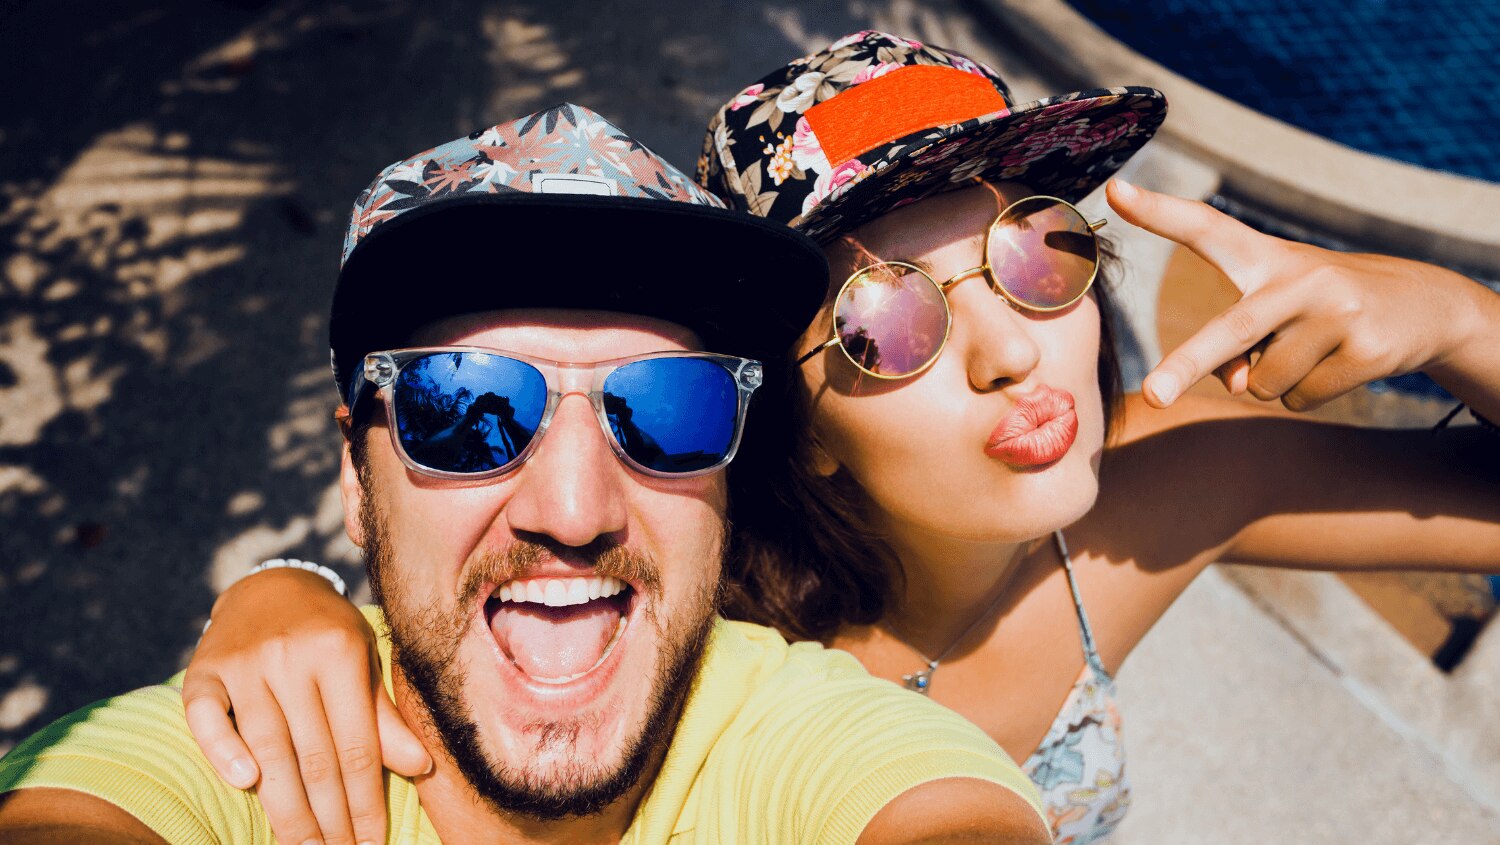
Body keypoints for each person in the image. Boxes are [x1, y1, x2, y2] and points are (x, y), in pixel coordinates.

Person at [169, 32, 1498, 845]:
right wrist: (293, 601)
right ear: (796, 431)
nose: (1010, 349)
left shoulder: (1169, 486)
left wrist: (1450, 314)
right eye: (887, 320)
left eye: (1039, 252)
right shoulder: (681, 641)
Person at [0, 103, 1055, 845]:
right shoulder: (238, 752)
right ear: (355, 478)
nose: (574, 509)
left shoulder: (807, 735)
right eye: (464, 409)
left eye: (668, 408)